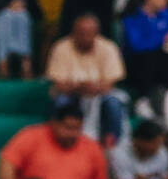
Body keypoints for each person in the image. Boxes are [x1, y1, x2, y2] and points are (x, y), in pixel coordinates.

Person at [46, 13, 129, 147]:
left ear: (97, 33)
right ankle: (58, 141)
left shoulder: (109, 47)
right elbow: (59, 84)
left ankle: (112, 143)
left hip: (100, 94)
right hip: (70, 93)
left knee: (113, 103)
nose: (85, 37)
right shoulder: (61, 47)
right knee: (61, 101)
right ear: (74, 33)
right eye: (81, 33)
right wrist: (79, 88)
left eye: (89, 33)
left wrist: (94, 88)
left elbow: (110, 83)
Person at [122, 0, 168, 102]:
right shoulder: (133, 16)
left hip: (163, 60)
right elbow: (136, 45)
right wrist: (163, 39)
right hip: (138, 62)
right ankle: (146, 99)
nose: (165, 0)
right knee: (149, 58)